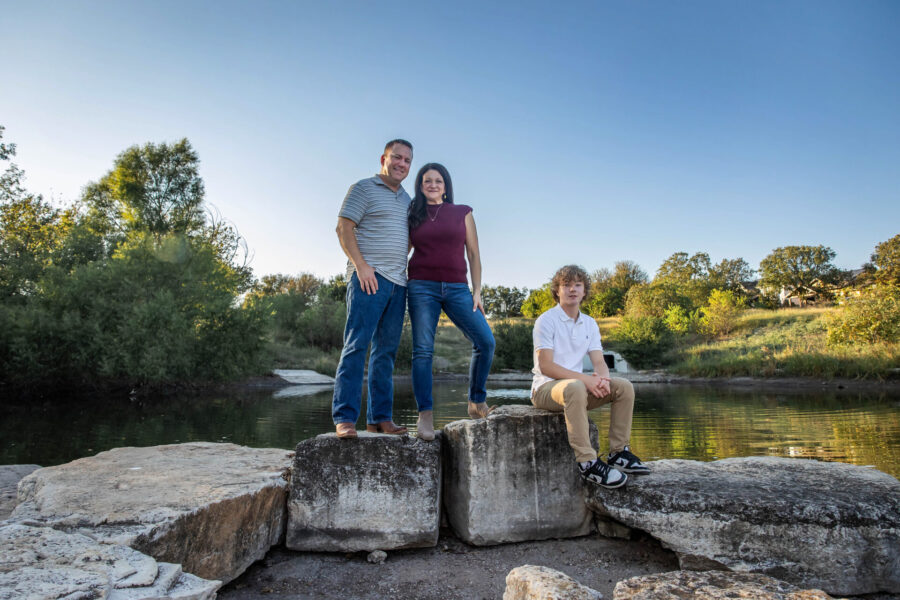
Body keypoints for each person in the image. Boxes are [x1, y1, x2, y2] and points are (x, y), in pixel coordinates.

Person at [531, 265, 650, 488]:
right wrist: (587, 380)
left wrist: (603, 380)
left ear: (585, 291)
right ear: (557, 290)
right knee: (575, 386)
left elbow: (599, 363)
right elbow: (546, 366)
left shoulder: (590, 323)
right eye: (566, 285)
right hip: (546, 389)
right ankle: (588, 463)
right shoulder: (546, 321)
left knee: (623, 386)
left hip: (575, 389)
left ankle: (618, 454)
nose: (572, 289)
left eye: (578, 285)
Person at [407, 163, 496, 441]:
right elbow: (403, 251)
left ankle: (476, 402)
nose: (433, 184)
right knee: (423, 350)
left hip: (458, 288)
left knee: (485, 341)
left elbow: (474, 253)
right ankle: (425, 415)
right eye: (427, 181)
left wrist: (477, 291)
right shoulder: (412, 213)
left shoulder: (463, 213)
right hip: (421, 287)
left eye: (438, 180)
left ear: (446, 186)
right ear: (420, 186)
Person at [332, 139, 414, 439]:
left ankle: (380, 419)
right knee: (356, 346)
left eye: (406, 160)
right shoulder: (363, 188)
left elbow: (409, 239)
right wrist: (362, 265)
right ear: (384, 158)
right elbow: (343, 227)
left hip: (398, 284)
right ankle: (345, 418)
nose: (401, 164)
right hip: (368, 279)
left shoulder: (408, 200)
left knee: (386, 353)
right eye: (396, 158)